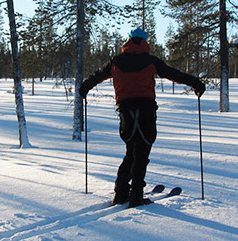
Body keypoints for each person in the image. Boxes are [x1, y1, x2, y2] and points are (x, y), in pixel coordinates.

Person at [79, 27, 205, 208]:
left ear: (129, 40)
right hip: (146, 110)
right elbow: (173, 74)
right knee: (142, 153)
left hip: (125, 112)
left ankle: (121, 192)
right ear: (145, 42)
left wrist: (85, 87)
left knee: (131, 152)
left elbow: (97, 76)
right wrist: (195, 83)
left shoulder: (116, 61)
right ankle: (137, 195)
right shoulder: (150, 61)